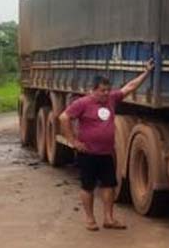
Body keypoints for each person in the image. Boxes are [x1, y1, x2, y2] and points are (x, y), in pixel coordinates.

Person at [59, 59, 154, 231]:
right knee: (87, 187)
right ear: (93, 89)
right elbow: (64, 117)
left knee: (109, 185)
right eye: (102, 90)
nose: (106, 93)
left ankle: (109, 218)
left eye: (108, 90)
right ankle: (90, 219)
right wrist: (73, 141)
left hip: (106, 153)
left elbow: (130, 87)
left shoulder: (111, 99)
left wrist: (146, 73)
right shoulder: (83, 103)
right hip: (88, 154)